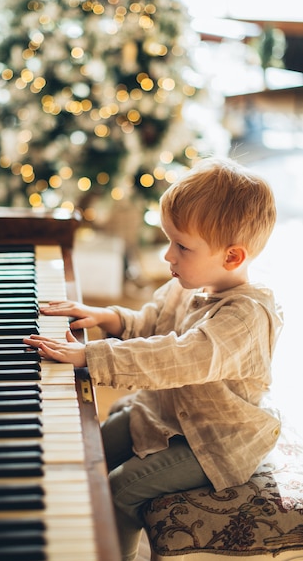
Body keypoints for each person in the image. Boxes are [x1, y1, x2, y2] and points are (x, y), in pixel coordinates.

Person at [23, 157, 283, 561]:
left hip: (216, 441)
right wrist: (110, 318)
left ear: (232, 257)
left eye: (181, 245)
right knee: (84, 448)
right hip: (169, 417)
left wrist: (91, 356)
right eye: (169, 240)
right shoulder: (190, 284)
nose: (168, 256)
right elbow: (154, 324)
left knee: (121, 488)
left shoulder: (246, 319)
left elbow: (177, 357)